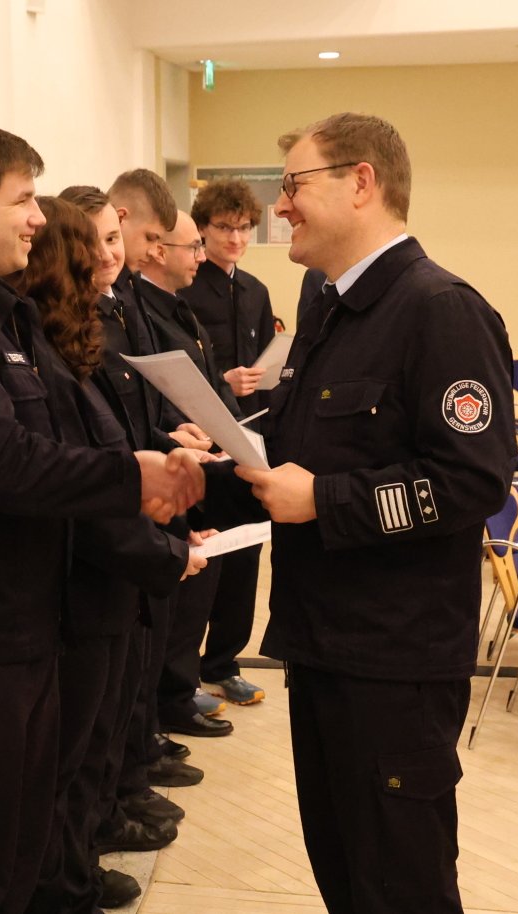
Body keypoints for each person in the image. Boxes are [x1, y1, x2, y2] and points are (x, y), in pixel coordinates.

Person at [0, 122, 204, 914]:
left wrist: (135, 475)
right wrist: (131, 477)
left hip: (33, 622)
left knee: (26, 846)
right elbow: (3, 461)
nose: (36, 218)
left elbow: (53, 443)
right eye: (23, 199)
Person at [204, 112, 515, 913]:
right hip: (324, 642)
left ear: (361, 183)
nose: (280, 207)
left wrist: (325, 501)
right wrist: (209, 462)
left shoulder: (439, 309)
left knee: (399, 886)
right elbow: (301, 441)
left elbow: (474, 480)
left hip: (395, 660)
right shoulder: (331, 308)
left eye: (294, 186)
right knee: (347, 876)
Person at [17, 195, 200, 914]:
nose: (107, 257)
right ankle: (65, 883)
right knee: (72, 754)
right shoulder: (48, 352)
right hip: (86, 582)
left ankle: (78, 866)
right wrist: (161, 550)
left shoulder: (78, 341)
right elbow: (86, 483)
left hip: (112, 575)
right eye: (90, 247)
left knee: (98, 737)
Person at [137, 212, 239, 740]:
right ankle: (166, 700)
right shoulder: (140, 307)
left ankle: (179, 688)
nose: (202, 256)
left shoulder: (179, 306)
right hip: (166, 465)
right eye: (193, 246)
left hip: (202, 455)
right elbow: (145, 403)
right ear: (158, 249)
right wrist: (171, 437)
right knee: (173, 594)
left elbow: (208, 383)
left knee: (202, 584)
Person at [182, 179, 277, 709]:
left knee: (246, 555)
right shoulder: (187, 289)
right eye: (224, 228)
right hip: (202, 436)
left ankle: (224, 662)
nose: (235, 238)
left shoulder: (257, 291)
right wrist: (224, 380)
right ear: (203, 229)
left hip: (250, 433)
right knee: (206, 559)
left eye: (243, 228)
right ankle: (185, 674)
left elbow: (264, 368)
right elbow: (186, 374)